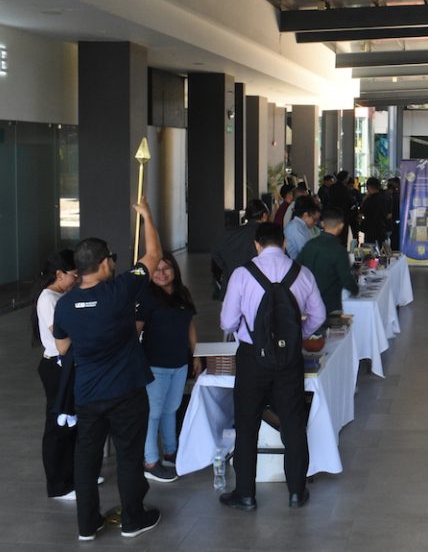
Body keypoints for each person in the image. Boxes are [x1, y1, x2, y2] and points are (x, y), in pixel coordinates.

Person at [52, 198, 163, 540]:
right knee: (129, 456)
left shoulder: (65, 305)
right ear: (103, 264)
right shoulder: (119, 291)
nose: (113, 264)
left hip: (87, 395)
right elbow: (153, 256)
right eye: (111, 259)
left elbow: (61, 346)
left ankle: (87, 526)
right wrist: (146, 217)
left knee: (86, 460)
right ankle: (132, 519)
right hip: (126, 391)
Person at [219, 222, 326, 511]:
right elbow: (318, 316)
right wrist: (295, 337)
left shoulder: (242, 274)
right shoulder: (302, 273)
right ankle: (296, 492)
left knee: (246, 424)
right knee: (293, 423)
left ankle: (245, 494)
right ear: (284, 242)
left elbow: (227, 322)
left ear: (256, 244)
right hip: (289, 359)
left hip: (251, 357)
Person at [136, 252, 199, 484]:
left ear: (175, 270)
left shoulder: (182, 293)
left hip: (179, 363)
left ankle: (171, 452)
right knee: (153, 413)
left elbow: (189, 324)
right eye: (157, 269)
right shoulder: (146, 295)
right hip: (155, 364)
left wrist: (196, 355)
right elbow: (135, 330)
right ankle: (150, 461)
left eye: (167, 268)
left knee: (171, 409)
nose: (162, 273)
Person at [32, 249, 78, 500]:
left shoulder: (63, 294)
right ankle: (58, 485)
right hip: (56, 367)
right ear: (59, 274)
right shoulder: (48, 298)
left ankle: (73, 475)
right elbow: (62, 341)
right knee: (58, 424)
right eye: (73, 275)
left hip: (68, 365)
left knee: (72, 421)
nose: (76, 279)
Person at [297, 209, 359, 316]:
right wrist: (355, 290)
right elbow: (346, 279)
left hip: (308, 302)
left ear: (322, 223)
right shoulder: (339, 250)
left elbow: (297, 267)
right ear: (341, 226)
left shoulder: (309, 245)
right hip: (331, 304)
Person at [212, 199, 270, 295]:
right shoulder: (268, 236)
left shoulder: (230, 233)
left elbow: (215, 252)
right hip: (259, 289)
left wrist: (227, 267)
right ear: (264, 216)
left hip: (231, 287)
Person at [359, 177, 392, 245]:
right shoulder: (385, 198)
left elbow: (361, 212)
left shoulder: (368, 200)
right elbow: (388, 214)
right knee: (381, 248)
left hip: (370, 230)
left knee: (369, 249)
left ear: (368, 187)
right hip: (382, 229)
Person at [328, 171, 356, 246]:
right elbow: (350, 201)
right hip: (344, 215)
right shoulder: (345, 189)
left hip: (333, 215)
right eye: (347, 177)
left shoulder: (332, 187)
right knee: (343, 237)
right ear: (345, 178)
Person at [387, 177, 401, 252]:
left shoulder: (394, 196)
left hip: (394, 220)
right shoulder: (398, 195)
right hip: (396, 219)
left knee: (394, 237)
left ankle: (394, 249)